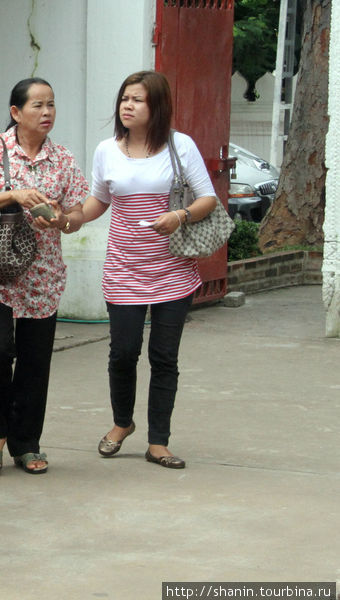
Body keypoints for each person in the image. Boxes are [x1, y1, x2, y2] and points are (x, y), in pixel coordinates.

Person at [74, 71, 218, 469]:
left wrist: (180, 215)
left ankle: (159, 441)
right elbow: (97, 201)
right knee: (122, 353)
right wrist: (69, 220)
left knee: (163, 357)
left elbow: (207, 199)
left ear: (156, 107)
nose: (127, 105)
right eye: (124, 98)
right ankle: (122, 423)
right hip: (123, 268)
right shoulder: (107, 150)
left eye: (137, 99)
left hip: (173, 271)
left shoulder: (179, 147)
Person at [0, 77, 88, 476]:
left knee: (35, 362)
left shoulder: (63, 159)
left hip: (42, 275)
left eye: (51, 104)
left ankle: (27, 441)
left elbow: (78, 214)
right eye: (37, 105)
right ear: (16, 112)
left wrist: (63, 221)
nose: (47, 112)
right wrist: (14, 195)